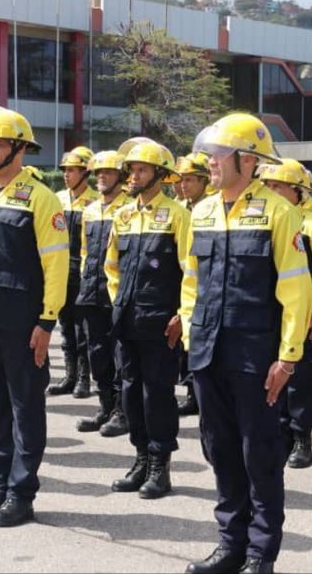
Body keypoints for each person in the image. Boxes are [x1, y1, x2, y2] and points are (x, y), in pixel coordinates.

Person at [182, 112, 312, 574]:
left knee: (259, 454)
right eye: (210, 154)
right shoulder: (201, 211)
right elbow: (191, 281)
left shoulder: (279, 212)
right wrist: (190, 331)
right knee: (219, 450)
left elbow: (296, 291)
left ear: (248, 160)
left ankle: (260, 553)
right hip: (208, 351)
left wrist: (287, 358)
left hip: (255, 355)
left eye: (219, 154)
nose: (210, 162)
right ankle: (230, 545)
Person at [0, 106, 69, 528]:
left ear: (19, 148)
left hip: (24, 323)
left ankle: (21, 493)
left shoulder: (41, 198)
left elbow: (57, 264)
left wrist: (47, 321)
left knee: (26, 409)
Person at [105, 138, 190, 500]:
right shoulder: (123, 215)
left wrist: (182, 315)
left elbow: (191, 270)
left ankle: (160, 466)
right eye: (132, 170)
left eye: (141, 170)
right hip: (127, 320)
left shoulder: (178, 215)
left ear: (160, 175)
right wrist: (118, 302)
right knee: (130, 393)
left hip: (161, 323)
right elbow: (112, 267)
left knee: (157, 395)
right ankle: (140, 457)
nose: (134, 176)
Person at [257, 159, 312, 469]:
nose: (271, 192)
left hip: (305, 318)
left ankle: (302, 437)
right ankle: (278, 434)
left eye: (277, 186)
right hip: (270, 316)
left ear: (298, 191)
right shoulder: (263, 220)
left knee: (303, 381)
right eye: (267, 186)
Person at [75, 151, 130, 435]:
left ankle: (122, 411)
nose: (101, 177)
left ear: (121, 176)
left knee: (120, 356)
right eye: (98, 173)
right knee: (97, 354)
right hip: (91, 293)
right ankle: (105, 406)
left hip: (116, 295)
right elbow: (85, 252)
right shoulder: (91, 211)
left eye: (108, 172)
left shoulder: (129, 209)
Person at [49, 146, 98, 399]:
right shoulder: (57, 199)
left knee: (83, 330)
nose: (66, 175)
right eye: (65, 170)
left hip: (82, 273)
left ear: (85, 173)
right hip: (61, 272)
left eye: (72, 170)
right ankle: (69, 376)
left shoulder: (95, 201)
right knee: (65, 326)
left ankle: (84, 378)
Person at [172, 152, 212, 417]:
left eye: (189, 180)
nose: (183, 185)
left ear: (204, 181)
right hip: (179, 283)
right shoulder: (180, 206)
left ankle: (197, 395)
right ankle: (190, 392)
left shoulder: (209, 208)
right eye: (181, 180)